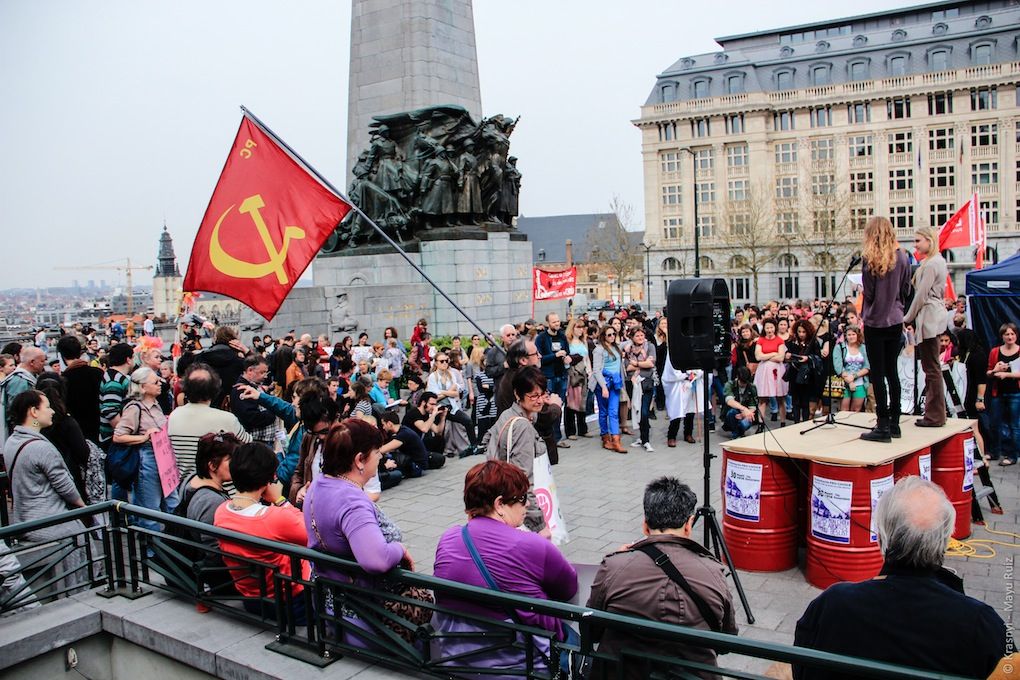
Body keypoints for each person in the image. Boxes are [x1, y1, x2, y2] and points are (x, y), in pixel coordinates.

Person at [792, 477, 1005, 680]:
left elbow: (802, 669)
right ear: (946, 539)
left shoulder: (832, 605)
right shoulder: (980, 622)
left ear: (882, 536)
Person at [432, 460, 578, 675]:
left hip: (458, 656)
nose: (527, 504)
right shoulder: (533, 544)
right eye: (521, 499)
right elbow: (568, 589)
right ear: (499, 504)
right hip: (524, 663)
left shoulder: (449, 538)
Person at [587, 477, 737, 679]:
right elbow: (726, 638)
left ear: (645, 526)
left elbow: (592, 629)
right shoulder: (713, 572)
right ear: (688, 525)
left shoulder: (615, 566)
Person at [302, 418, 412, 637]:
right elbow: (376, 560)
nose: (380, 458)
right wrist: (400, 550)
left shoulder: (318, 485)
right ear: (360, 459)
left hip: (330, 599)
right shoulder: (351, 501)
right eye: (377, 453)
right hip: (362, 613)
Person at [214, 442, 310, 624]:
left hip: (250, 597)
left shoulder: (221, 511)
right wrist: (279, 499)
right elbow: (311, 534)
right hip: (293, 602)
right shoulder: (274, 518)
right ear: (270, 478)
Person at [3, 390, 88, 596]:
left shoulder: (12, 441)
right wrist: (83, 506)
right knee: (80, 536)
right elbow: (66, 487)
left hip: (23, 517)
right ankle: (77, 591)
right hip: (47, 520)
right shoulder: (40, 447)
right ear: (33, 411)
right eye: (47, 406)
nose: (51, 411)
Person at [859, 216, 912, 441]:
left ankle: (882, 425)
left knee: (877, 374)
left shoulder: (869, 259)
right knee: (892, 372)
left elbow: (869, 294)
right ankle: (895, 423)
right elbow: (906, 289)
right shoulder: (903, 257)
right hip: (895, 319)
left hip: (875, 322)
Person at [482, 367, 552, 537]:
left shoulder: (507, 415)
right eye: (533, 396)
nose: (540, 400)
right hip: (518, 507)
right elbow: (523, 480)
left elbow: (487, 440)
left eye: (542, 394)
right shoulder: (522, 426)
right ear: (517, 394)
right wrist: (539, 524)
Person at [113, 367, 176, 528]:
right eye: (155, 382)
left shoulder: (155, 404)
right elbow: (118, 436)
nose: (160, 383)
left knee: (172, 503)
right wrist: (144, 437)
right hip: (147, 460)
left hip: (163, 459)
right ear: (142, 387)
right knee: (150, 508)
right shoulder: (134, 408)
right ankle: (151, 550)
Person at [167, 364, 251, 481]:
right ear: (214, 389)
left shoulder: (174, 416)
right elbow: (249, 448)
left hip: (186, 487)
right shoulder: (226, 419)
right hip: (223, 490)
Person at [904, 226, 949, 428]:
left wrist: (908, 317)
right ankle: (935, 413)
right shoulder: (933, 262)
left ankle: (935, 415)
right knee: (931, 368)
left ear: (929, 241)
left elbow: (921, 295)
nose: (915, 244)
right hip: (931, 317)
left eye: (918, 241)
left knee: (931, 369)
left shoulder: (932, 264)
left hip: (929, 318)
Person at [36, 373, 91, 504]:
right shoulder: (67, 421)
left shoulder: (33, 423)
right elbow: (83, 452)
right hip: (69, 477)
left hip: (38, 486)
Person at [55, 336, 103, 444]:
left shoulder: (63, 380)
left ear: (62, 355)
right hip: (99, 427)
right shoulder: (97, 373)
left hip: (76, 431)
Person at [427, 351, 478, 453]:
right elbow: (434, 397)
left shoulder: (451, 374)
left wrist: (443, 392)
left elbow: (456, 394)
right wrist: (450, 390)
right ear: (436, 363)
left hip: (452, 407)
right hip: (439, 408)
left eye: (446, 361)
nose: (445, 363)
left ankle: (474, 446)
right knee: (440, 431)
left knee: (467, 421)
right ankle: (439, 452)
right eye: (442, 361)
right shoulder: (432, 377)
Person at [985, 322, 1020, 466]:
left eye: (1012, 334)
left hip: (1015, 393)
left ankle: (1013, 455)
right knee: (994, 424)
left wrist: (1007, 375)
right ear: (1002, 336)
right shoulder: (995, 352)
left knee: (1014, 426)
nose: (1010, 336)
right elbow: (988, 373)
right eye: (1007, 334)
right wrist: (995, 370)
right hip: (997, 393)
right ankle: (994, 452)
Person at [591, 325, 627, 453]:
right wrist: (603, 387)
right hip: (603, 384)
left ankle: (616, 440)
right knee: (603, 411)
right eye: (609, 335)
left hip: (615, 383)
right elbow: (596, 370)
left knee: (613, 411)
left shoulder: (616, 347)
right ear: (603, 336)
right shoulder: (599, 350)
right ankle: (606, 438)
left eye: (613, 334)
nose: (612, 337)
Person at [378, 409, 444, 477]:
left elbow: (383, 450)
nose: (383, 427)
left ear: (389, 424)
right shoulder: (402, 430)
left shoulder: (403, 434)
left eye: (383, 424)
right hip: (418, 463)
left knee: (390, 457)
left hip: (417, 467)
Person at [230, 354, 276, 448]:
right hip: (256, 441)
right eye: (262, 372)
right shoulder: (242, 389)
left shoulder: (255, 386)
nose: (265, 376)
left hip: (263, 440)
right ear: (250, 370)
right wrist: (273, 412)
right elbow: (250, 417)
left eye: (266, 372)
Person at [623, 327, 656, 452]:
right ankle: (641, 438)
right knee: (636, 410)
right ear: (632, 337)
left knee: (644, 411)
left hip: (646, 383)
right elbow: (627, 366)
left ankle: (646, 440)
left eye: (642, 335)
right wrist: (642, 363)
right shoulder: (628, 349)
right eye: (637, 336)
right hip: (634, 383)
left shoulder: (650, 347)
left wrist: (636, 364)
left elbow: (651, 364)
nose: (640, 338)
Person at [785, 319, 822, 424]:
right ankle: (796, 422)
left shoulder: (813, 342)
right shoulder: (792, 341)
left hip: (807, 375)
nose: (801, 334)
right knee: (795, 402)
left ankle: (805, 422)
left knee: (806, 402)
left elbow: (818, 358)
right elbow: (787, 355)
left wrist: (808, 358)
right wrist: (788, 355)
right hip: (794, 373)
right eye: (799, 331)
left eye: (804, 332)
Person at [98, 342, 134, 452]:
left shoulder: (115, 376)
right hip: (113, 441)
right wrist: (123, 433)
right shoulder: (114, 380)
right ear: (128, 359)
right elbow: (110, 411)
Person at [753, 319, 788, 423]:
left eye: (771, 327)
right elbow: (758, 356)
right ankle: (761, 422)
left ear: (775, 328)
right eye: (767, 327)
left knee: (780, 398)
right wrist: (773, 353)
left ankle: (782, 422)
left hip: (777, 371)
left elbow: (781, 358)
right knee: (762, 399)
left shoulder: (779, 340)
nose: (769, 330)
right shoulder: (761, 340)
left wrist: (766, 356)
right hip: (763, 372)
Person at [563, 319, 591, 440]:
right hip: (572, 373)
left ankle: (582, 429)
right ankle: (570, 431)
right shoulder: (567, 341)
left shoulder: (583, 341)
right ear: (572, 328)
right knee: (571, 401)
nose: (580, 329)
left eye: (582, 327)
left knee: (582, 400)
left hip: (584, 372)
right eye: (578, 327)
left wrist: (590, 371)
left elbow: (587, 358)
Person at [832, 325, 870, 413]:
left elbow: (867, 367)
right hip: (844, 383)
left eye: (853, 334)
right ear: (845, 336)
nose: (851, 337)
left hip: (860, 382)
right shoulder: (840, 347)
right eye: (849, 335)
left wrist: (854, 376)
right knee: (844, 411)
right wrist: (850, 381)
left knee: (856, 410)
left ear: (857, 335)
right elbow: (838, 367)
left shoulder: (863, 348)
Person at [722, 367, 758, 439]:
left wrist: (746, 413)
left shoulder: (752, 387)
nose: (744, 384)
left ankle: (739, 431)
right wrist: (744, 409)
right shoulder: (730, 385)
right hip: (732, 412)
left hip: (747, 414)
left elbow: (753, 406)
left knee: (746, 423)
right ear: (737, 377)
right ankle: (736, 432)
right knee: (732, 412)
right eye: (742, 381)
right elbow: (729, 401)